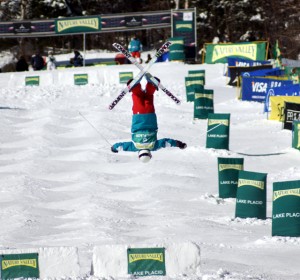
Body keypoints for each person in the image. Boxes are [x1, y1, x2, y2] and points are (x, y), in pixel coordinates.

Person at [111, 74, 187, 163]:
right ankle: (135, 86)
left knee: (148, 97)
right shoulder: (135, 147)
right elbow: (122, 146)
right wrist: (114, 148)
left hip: (150, 115)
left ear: (150, 154)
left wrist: (179, 144)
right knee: (137, 97)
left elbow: (167, 142)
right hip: (138, 116)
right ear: (139, 154)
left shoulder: (154, 146)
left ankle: (151, 85)